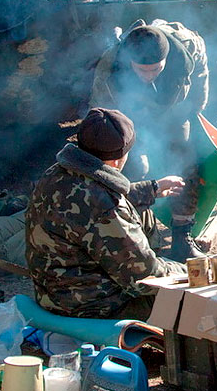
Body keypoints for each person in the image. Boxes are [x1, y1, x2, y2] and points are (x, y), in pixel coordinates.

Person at [26, 108, 186, 319]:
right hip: (93, 308)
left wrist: (151, 189)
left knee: (142, 212)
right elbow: (145, 279)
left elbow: (85, 205)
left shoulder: (57, 172)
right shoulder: (106, 208)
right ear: (116, 161)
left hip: (52, 295)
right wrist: (190, 271)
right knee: (191, 301)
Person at [90, 21, 209, 262]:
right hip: (129, 118)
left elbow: (198, 99)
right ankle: (134, 232)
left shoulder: (188, 51)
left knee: (184, 158)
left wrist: (173, 124)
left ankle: (182, 236)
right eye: (142, 70)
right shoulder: (110, 65)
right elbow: (103, 113)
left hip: (174, 111)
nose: (148, 75)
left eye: (155, 69)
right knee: (134, 167)